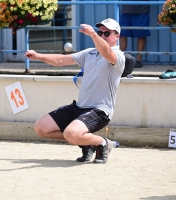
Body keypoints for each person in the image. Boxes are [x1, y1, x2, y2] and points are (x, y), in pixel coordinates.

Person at [24, 18, 125, 164]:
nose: (102, 35)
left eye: (107, 33)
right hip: (80, 107)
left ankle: (103, 143)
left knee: (71, 133)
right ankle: (87, 142)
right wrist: (38, 56)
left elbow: (106, 51)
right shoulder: (89, 53)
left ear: (117, 36)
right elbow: (61, 60)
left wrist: (93, 35)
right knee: (41, 128)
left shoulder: (118, 57)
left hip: (100, 110)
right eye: (100, 32)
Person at [119, 1, 150, 68]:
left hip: (141, 10)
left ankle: (138, 60)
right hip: (126, 9)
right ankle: (119, 58)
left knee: (141, 34)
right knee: (122, 34)